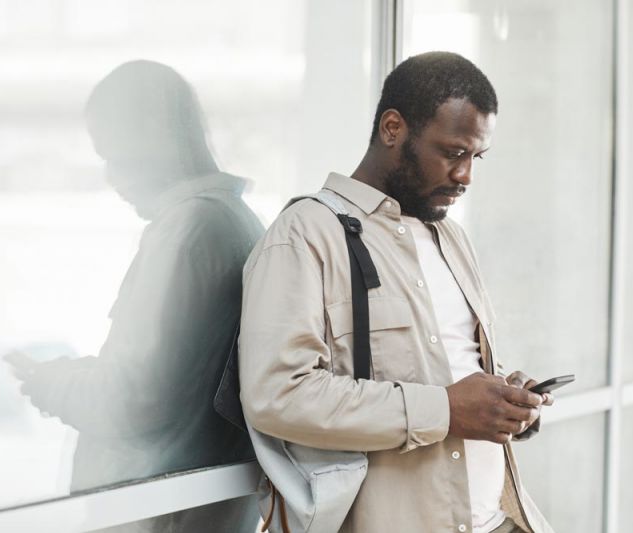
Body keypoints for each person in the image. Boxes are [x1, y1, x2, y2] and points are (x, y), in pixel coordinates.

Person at [238, 52, 555, 533]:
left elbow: (454, 369)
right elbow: (277, 396)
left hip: (499, 520)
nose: (466, 175)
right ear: (393, 129)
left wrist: (505, 403)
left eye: (476, 157)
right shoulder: (304, 235)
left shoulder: (449, 236)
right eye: (452, 152)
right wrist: (446, 410)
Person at [6, 60, 262, 532]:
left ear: (151, 133)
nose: (111, 177)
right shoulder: (234, 221)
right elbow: (173, 380)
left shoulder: (188, 232)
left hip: (157, 513)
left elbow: (134, 401)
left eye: (113, 156)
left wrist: (50, 383)